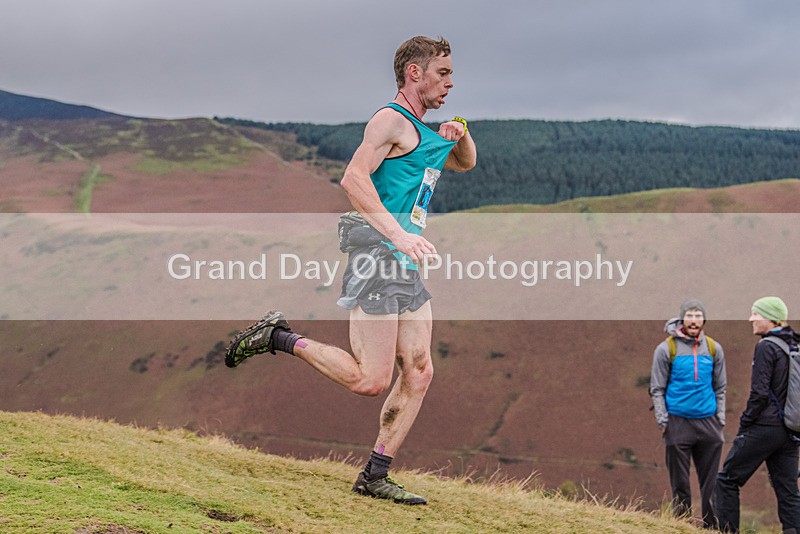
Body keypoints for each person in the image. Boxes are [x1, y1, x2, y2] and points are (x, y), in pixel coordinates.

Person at [223, 35, 476, 505]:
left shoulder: (424, 131)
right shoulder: (390, 120)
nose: (450, 83)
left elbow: (465, 162)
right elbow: (353, 178)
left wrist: (459, 131)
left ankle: (375, 475)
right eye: (443, 73)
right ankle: (278, 336)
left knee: (419, 370)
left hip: (403, 259)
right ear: (414, 73)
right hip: (377, 251)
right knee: (371, 380)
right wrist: (399, 236)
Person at [715, 297, 800, 533]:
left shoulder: (766, 346)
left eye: (756, 314)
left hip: (765, 427)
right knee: (788, 491)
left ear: (771, 318)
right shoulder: (794, 345)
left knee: (726, 480)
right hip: (791, 431)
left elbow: (759, 393)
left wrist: (746, 423)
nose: (750, 319)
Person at [650, 298, 726, 528]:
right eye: (690, 316)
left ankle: (712, 528)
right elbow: (657, 388)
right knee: (680, 484)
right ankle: (682, 527)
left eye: (698, 316)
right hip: (678, 422)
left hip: (709, 423)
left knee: (712, 484)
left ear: (704, 320)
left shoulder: (713, 348)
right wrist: (664, 421)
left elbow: (720, 387)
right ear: (682, 319)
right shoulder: (666, 349)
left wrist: (720, 419)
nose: (694, 321)